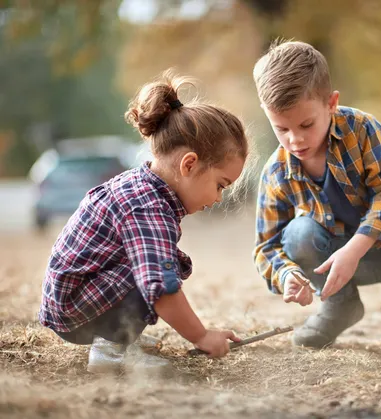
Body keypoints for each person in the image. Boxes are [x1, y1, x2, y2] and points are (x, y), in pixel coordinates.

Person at [252, 40, 381, 365]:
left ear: (331, 103)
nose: (295, 139)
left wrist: (354, 249)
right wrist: (287, 274)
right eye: (281, 129)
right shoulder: (277, 172)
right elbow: (267, 246)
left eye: (306, 124)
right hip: (332, 270)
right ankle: (340, 306)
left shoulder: (362, 130)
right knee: (298, 233)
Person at [39, 70, 249, 374]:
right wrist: (202, 336)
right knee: (160, 271)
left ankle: (119, 337)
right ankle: (110, 351)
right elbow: (161, 288)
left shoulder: (145, 188)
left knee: (162, 263)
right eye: (220, 185)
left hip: (79, 300)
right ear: (189, 164)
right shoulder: (147, 206)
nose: (218, 198)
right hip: (75, 310)